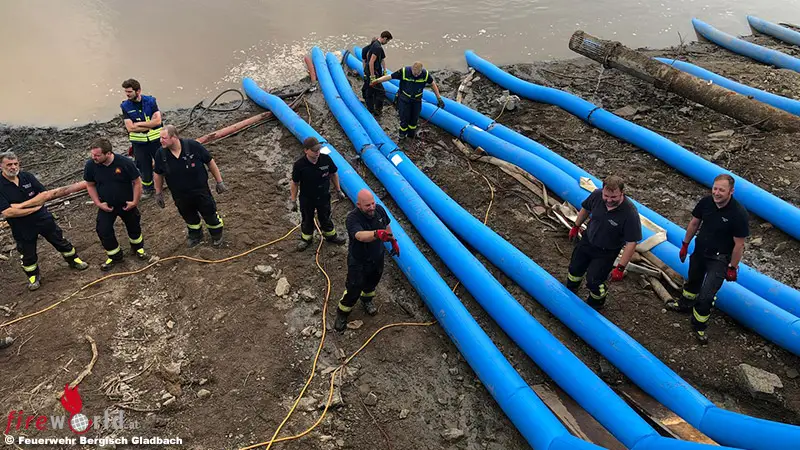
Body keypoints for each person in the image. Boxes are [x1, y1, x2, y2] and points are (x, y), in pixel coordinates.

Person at [666, 174, 748, 344]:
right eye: (715, 188)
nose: (716, 193)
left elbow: (739, 244)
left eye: (721, 190)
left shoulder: (738, 214)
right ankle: (685, 305)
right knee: (692, 283)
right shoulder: (706, 202)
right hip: (700, 251)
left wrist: (732, 267)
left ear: (731, 191)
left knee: (706, 295)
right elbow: (694, 223)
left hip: (719, 259)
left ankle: (699, 325)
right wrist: (685, 244)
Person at [0, 152, 88, 290]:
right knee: (27, 252)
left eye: (15, 164)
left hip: (42, 218)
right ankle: (33, 276)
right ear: (1, 166)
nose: (13, 167)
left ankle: (74, 259)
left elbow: (44, 195)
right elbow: (8, 212)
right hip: (21, 225)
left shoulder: (27, 177)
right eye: (9, 165)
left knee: (59, 239)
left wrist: (21, 206)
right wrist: (34, 207)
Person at [565, 176, 642, 309]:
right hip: (587, 241)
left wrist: (620, 268)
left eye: (614, 197)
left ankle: (596, 302)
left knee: (594, 280)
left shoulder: (630, 213)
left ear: (622, 193)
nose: (609, 200)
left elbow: (631, 243)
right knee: (574, 269)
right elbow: (586, 209)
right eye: (606, 196)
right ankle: (570, 289)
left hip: (606, 252)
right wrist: (576, 226)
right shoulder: (596, 195)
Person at [334, 189, 399, 331]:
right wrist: (376, 234)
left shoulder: (379, 210)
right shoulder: (353, 218)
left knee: (372, 282)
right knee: (354, 287)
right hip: (359, 260)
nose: (371, 207)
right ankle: (343, 312)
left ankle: (366, 300)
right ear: (359, 205)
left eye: (372, 203)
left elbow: (387, 226)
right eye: (367, 205)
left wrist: (393, 240)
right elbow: (360, 236)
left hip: (377, 257)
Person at [153, 125, 227, 248]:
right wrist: (158, 193)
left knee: (210, 214)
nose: (161, 141)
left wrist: (219, 181)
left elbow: (210, 161)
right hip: (180, 195)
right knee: (189, 217)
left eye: (164, 138)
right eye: (160, 138)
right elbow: (158, 173)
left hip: (200, 191)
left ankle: (217, 234)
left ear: (174, 137)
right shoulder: (161, 154)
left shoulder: (193, 146)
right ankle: (196, 235)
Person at [84, 138, 147, 271]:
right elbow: (90, 185)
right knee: (103, 229)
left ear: (108, 153)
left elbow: (137, 182)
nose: (94, 158)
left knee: (133, 225)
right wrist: (98, 203)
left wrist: (135, 201)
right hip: (106, 205)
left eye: (97, 155)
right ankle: (115, 256)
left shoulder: (125, 163)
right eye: (92, 154)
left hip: (126, 203)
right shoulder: (91, 165)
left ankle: (138, 248)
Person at [289, 137, 347, 251]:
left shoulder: (326, 159)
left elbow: (333, 174)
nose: (317, 152)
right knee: (307, 218)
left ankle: (330, 235)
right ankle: (306, 239)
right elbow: (295, 183)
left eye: (318, 149)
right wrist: (293, 200)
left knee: (325, 216)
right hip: (307, 198)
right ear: (306, 150)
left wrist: (338, 190)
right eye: (314, 150)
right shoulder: (300, 165)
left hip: (323, 196)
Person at [371, 61, 445, 140]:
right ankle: (402, 135)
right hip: (404, 99)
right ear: (412, 69)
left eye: (418, 74)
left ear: (421, 71)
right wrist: (377, 81)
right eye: (414, 73)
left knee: (414, 118)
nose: (416, 75)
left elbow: (432, 84)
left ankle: (411, 134)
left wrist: (439, 98)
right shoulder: (404, 72)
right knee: (404, 118)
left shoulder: (425, 74)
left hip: (417, 100)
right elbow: (390, 77)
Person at [121, 78, 163, 197]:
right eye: (126, 92)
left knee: (162, 161)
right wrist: (149, 124)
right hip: (139, 143)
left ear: (138, 91)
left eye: (130, 92)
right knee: (144, 167)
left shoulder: (150, 101)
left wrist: (138, 124)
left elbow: (158, 121)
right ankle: (148, 188)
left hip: (156, 140)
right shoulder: (125, 106)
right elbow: (130, 128)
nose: (127, 94)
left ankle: (170, 182)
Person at [361, 31, 393, 116]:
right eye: (387, 41)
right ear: (385, 38)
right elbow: (371, 62)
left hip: (371, 71)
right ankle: (377, 110)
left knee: (370, 90)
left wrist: (384, 70)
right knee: (381, 92)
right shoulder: (377, 47)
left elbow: (378, 59)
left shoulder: (375, 44)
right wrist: (372, 76)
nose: (387, 43)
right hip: (372, 72)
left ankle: (370, 108)